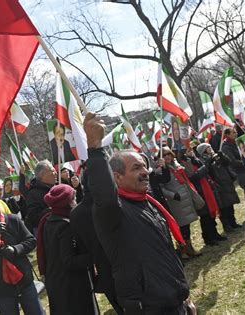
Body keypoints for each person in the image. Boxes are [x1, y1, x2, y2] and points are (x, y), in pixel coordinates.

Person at [83, 112, 196, 314]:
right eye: (136, 168)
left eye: (145, 166)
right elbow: (105, 195)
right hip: (149, 307)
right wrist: (94, 147)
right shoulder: (113, 211)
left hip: (175, 301)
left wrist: (184, 295)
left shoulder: (147, 203)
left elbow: (166, 254)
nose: (145, 172)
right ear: (117, 178)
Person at [70, 167, 123, 314]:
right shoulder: (116, 202)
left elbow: (82, 248)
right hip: (127, 264)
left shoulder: (75, 214)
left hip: (104, 270)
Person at [37, 184, 96, 315]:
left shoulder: (49, 220)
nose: (76, 202)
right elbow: (69, 260)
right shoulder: (65, 226)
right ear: (67, 203)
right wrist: (95, 256)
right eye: (74, 199)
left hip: (57, 281)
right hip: (71, 287)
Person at [159, 147, 200, 257]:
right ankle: (183, 250)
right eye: (164, 155)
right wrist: (172, 195)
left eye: (169, 154)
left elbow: (189, 173)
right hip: (175, 201)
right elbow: (161, 188)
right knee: (181, 226)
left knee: (187, 225)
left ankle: (189, 247)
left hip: (185, 198)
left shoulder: (176, 165)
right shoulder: (161, 170)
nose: (167, 156)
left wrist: (187, 161)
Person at [196, 143, 242, 233]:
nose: (210, 149)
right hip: (218, 185)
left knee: (230, 204)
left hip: (226, 182)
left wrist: (222, 155)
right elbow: (207, 170)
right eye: (208, 148)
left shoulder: (216, 156)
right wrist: (211, 160)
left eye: (210, 147)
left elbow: (227, 163)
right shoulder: (203, 160)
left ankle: (233, 222)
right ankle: (227, 225)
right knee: (223, 207)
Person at [24, 160, 57, 234]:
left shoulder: (58, 188)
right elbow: (34, 218)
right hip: (46, 233)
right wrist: (52, 209)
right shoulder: (32, 194)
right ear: (42, 175)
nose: (55, 173)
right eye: (52, 171)